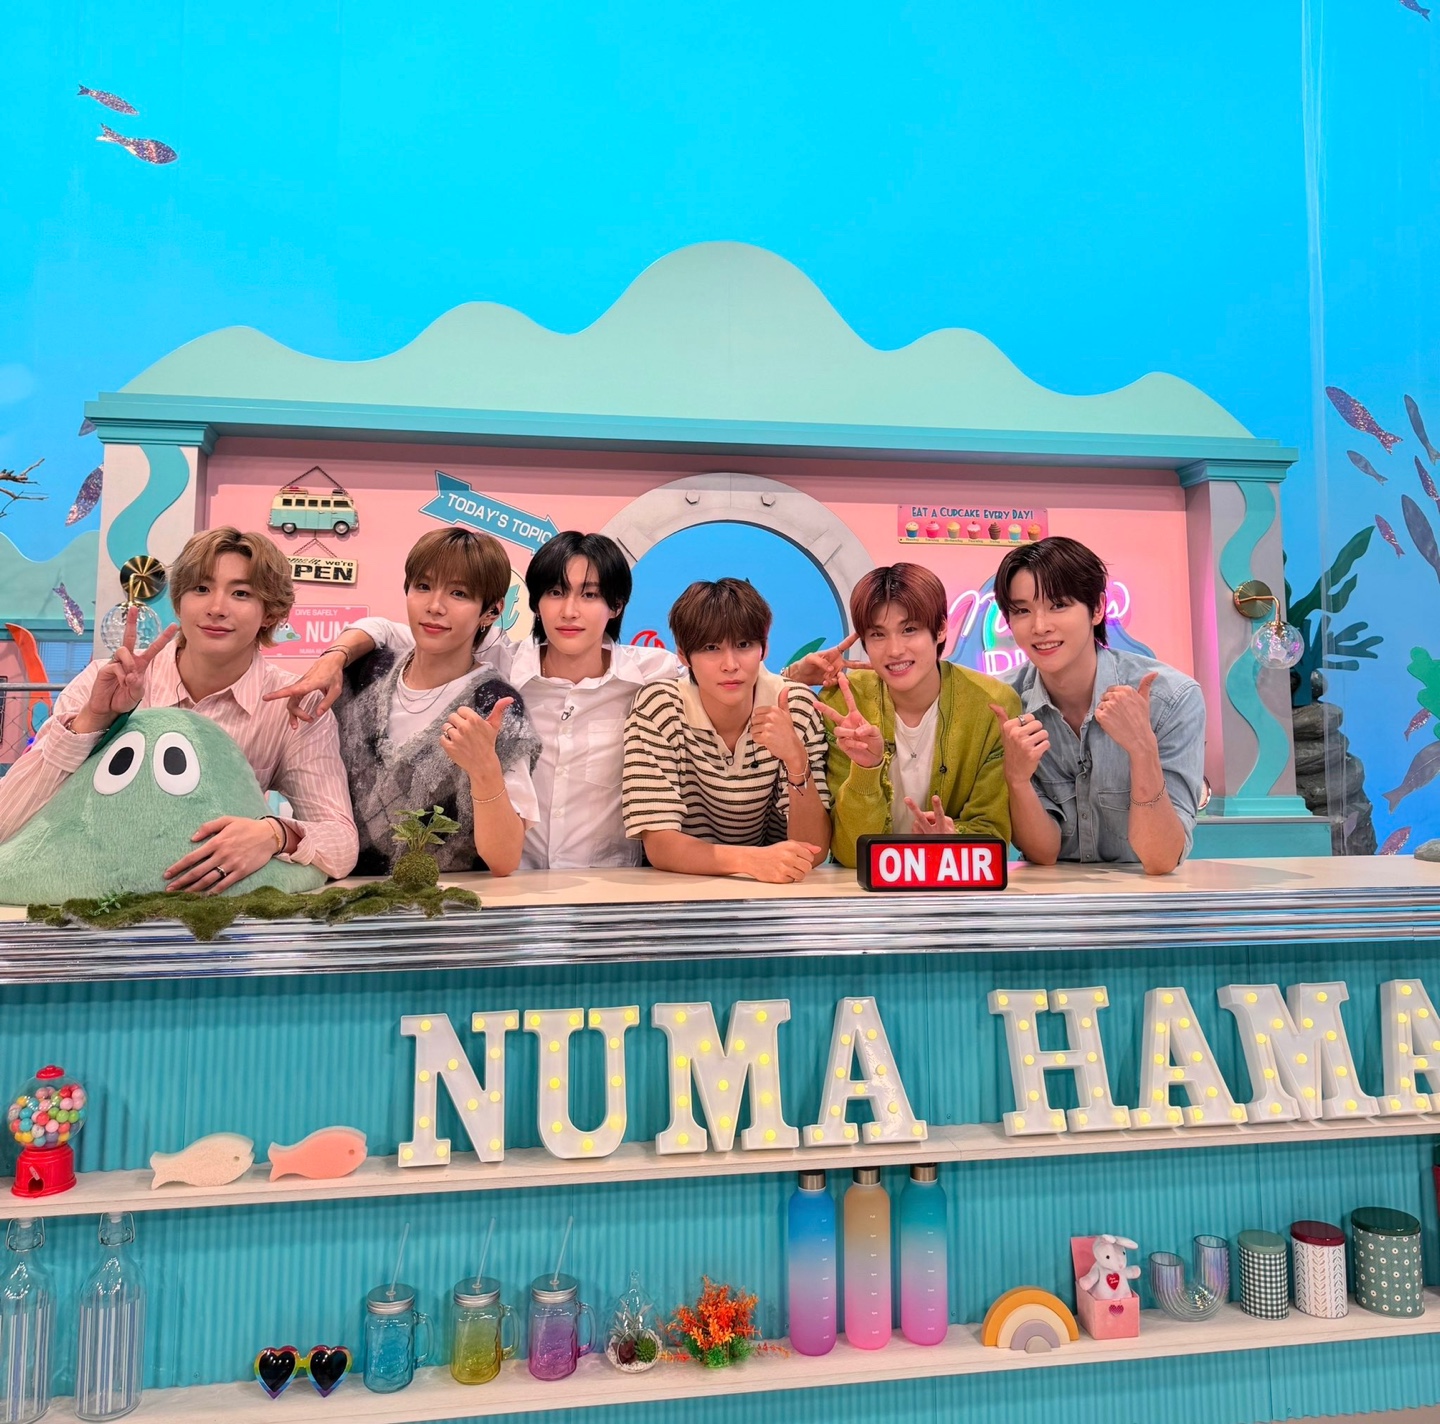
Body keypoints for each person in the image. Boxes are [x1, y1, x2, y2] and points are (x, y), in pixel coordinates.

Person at [271, 530, 680, 869]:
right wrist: (334, 657)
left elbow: (711, 682)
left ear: (616, 605)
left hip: (610, 881)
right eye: (556, 592)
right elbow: (391, 630)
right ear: (536, 603)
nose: (569, 611)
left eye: (589, 595)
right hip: (513, 886)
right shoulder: (502, 662)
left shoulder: (651, 673)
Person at [0, 527, 358, 890]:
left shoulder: (293, 704)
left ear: (270, 613)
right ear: (179, 602)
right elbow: (6, 821)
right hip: (93, 891)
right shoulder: (104, 680)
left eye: (241, 593)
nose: (216, 608)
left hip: (207, 904)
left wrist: (274, 834)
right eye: (201, 589)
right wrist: (94, 719)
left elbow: (341, 842)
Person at [303, 528, 540, 877]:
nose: (434, 606)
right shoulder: (365, 673)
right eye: (423, 586)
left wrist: (484, 768)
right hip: (340, 894)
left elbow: (504, 859)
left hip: (444, 903)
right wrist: (335, 654)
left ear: (491, 611)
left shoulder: (494, 705)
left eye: (458, 593)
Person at [990, 535, 1204, 874]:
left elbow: (1162, 858)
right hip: (1049, 896)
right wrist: (1016, 779)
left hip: (1148, 896)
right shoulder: (1004, 703)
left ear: (1098, 608)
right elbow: (1043, 854)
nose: (1040, 627)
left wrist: (1142, 749)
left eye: (1058, 605)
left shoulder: (1172, 698)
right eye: (1022, 611)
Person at [801, 563, 1019, 868]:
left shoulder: (992, 705)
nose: (894, 650)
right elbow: (852, 854)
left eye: (909, 630)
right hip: (861, 889)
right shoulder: (845, 701)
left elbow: (993, 835)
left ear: (940, 628)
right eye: (878, 634)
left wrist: (953, 837)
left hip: (953, 884)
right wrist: (866, 769)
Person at [622, 578, 831, 882]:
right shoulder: (660, 708)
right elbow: (661, 846)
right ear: (683, 655)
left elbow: (813, 850)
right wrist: (751, 861)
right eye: (711, 648)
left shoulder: (795, 706)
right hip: (677, 888)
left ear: (764, 648)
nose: (730, 664)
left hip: (775, 892)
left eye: (743, 645)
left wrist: (796, 760)